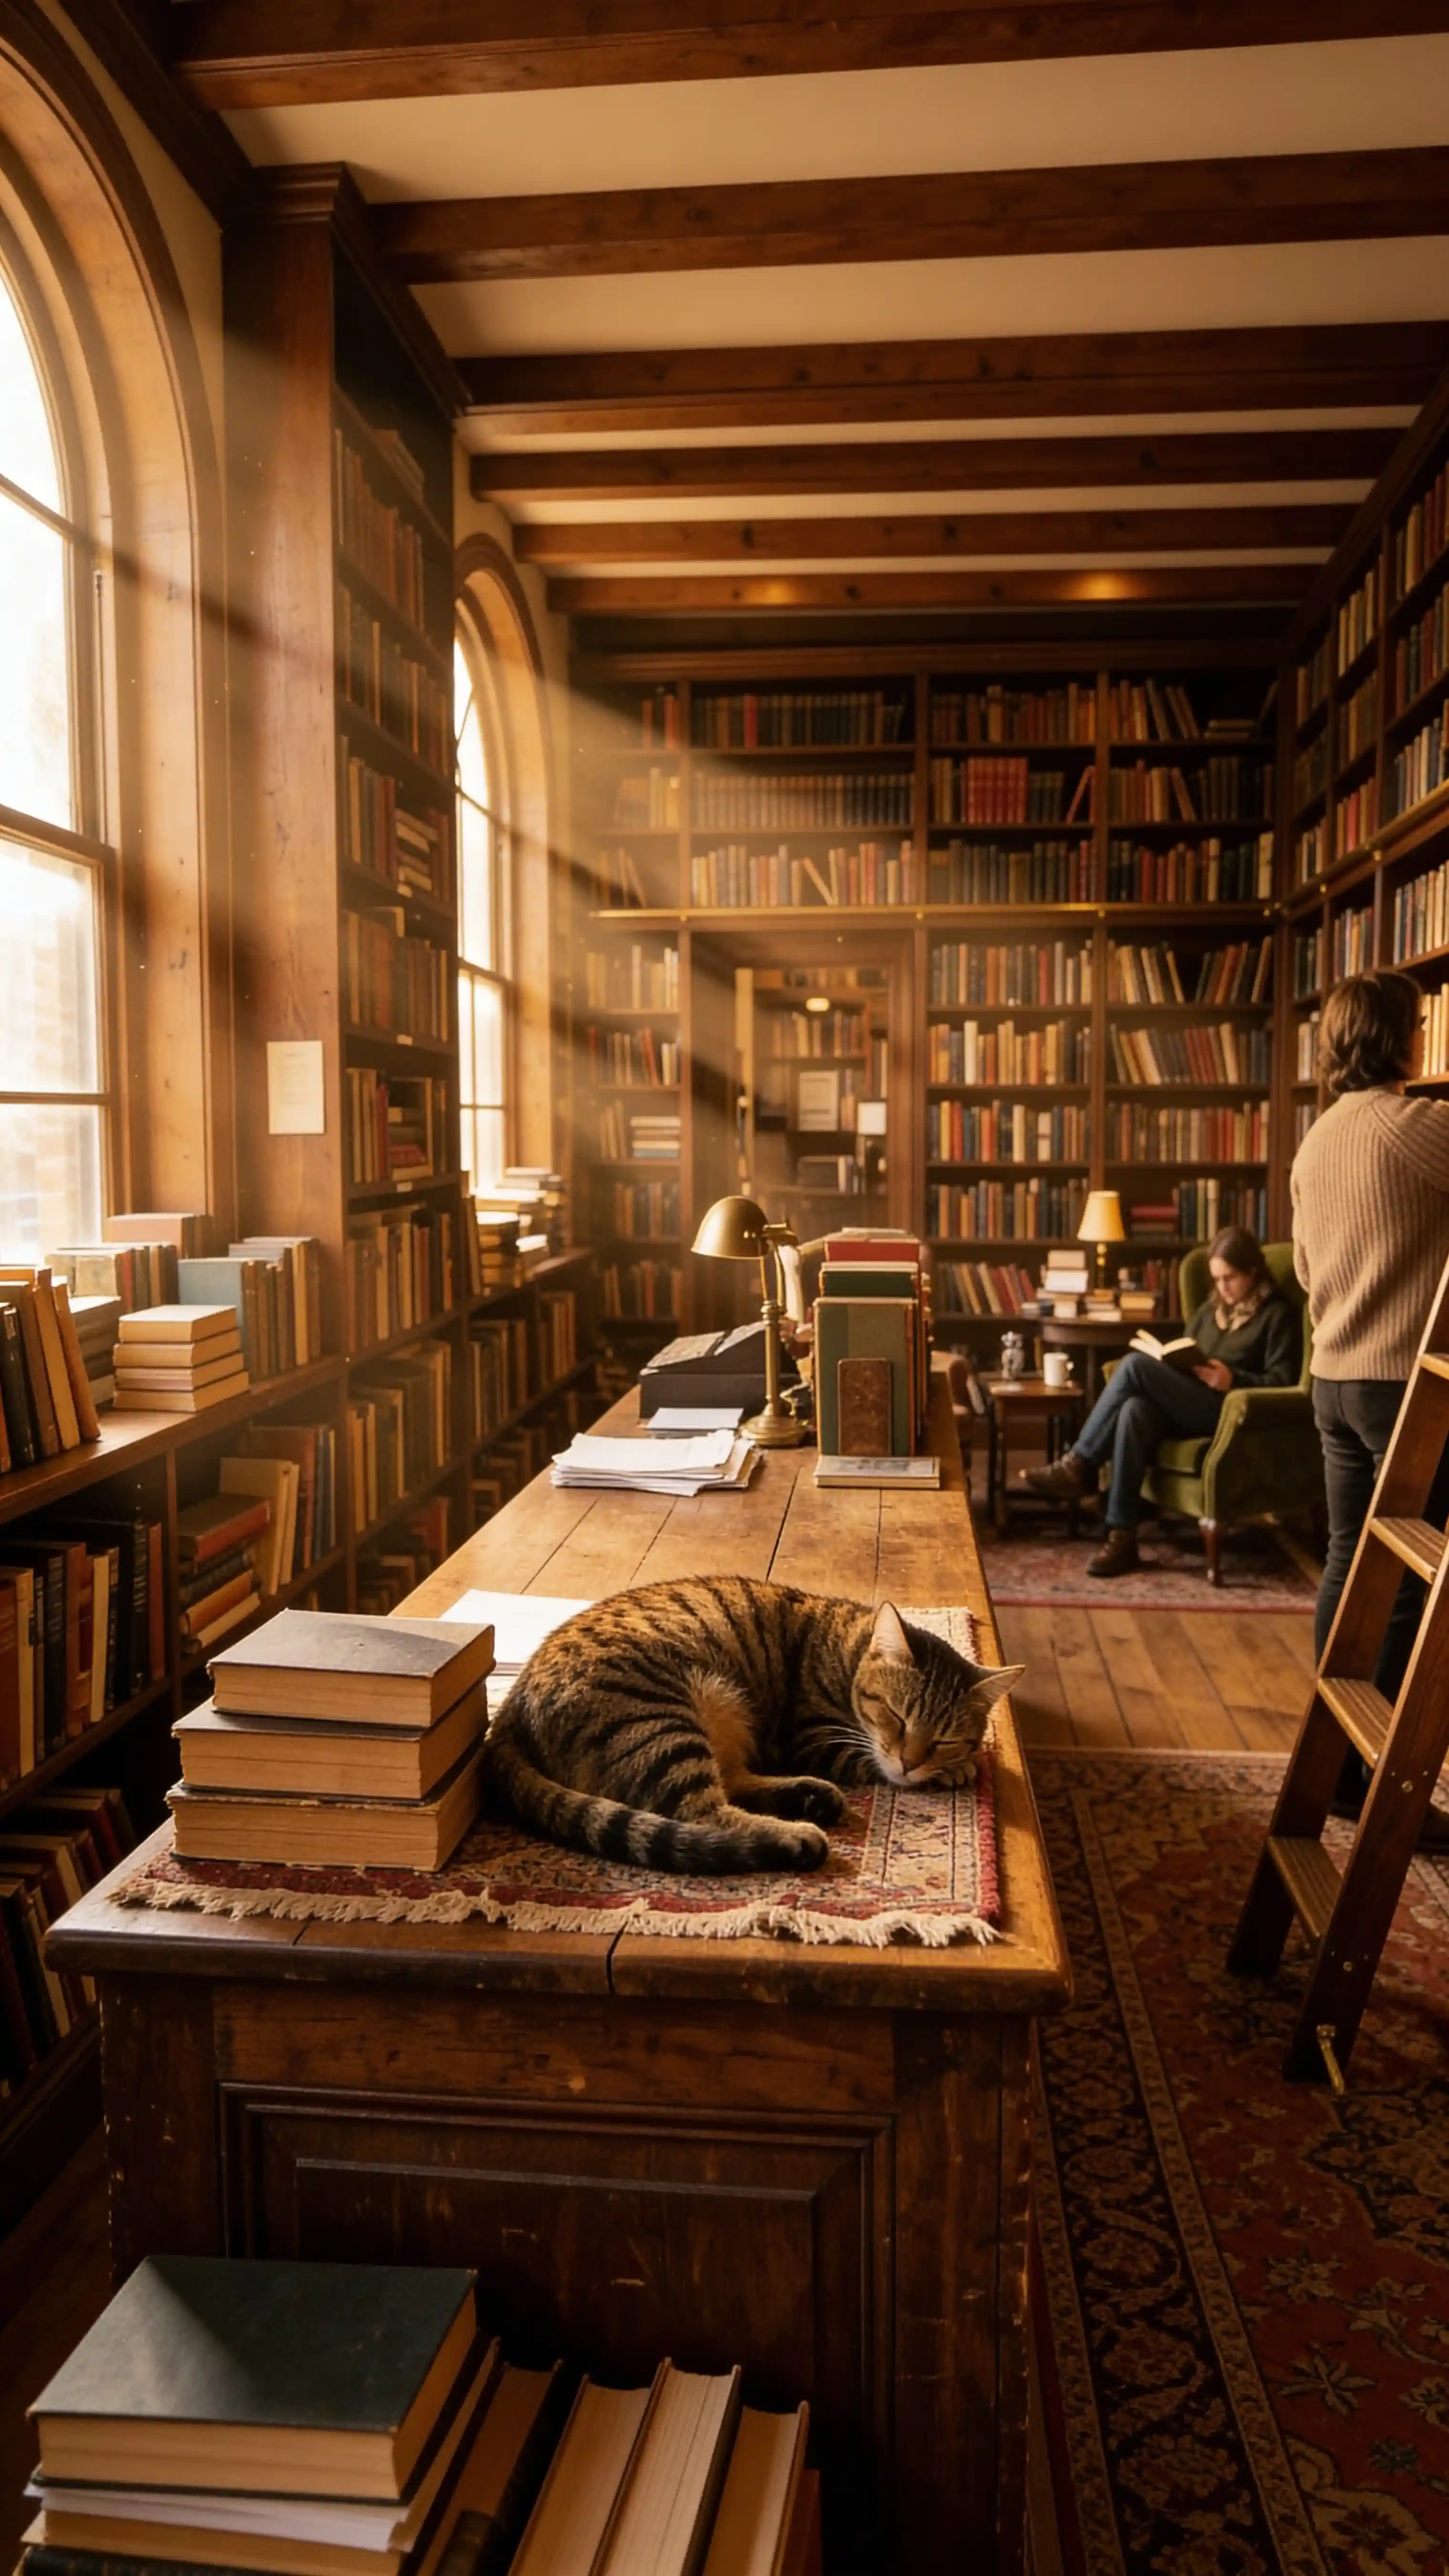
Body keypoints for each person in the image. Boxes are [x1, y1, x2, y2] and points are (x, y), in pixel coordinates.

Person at [1291, 969, 1449, 1715]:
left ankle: (1342, 1754)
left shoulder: (1316, 1140)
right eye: (1419, 1025)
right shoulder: (1420, 1126)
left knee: (1348, 1561)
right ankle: (1385, 1767)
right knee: (1410, 1582)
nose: (1423, 1038)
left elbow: (1302, 1268)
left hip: (1334, 1380)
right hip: (1404, 1390)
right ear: (1398, 1037)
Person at [1020, 1227, 1300, 1576]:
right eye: (1217, 1279)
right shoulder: (1210, 1311)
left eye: (1231, 1278)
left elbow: (1283, 1381)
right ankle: (1122, 1538)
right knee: (1135, 1411)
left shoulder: (1277, 1315)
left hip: (1229, 1412)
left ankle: (1081, 1463)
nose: (1224, 1288)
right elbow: (1188, 1352)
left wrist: (1233, 1379)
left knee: (1135, 1366)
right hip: (1191, 1401)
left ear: (1253, 1271)